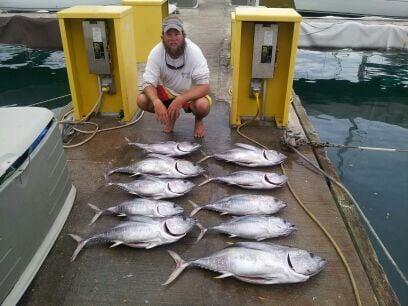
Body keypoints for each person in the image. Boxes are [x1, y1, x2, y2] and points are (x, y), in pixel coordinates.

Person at [137, 15, 211, 138]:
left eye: (176, 34)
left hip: (190, 94)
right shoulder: (156, 52)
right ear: (162, 37)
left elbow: (204, 86)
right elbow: (148, 83)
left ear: (183, 35)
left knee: (203, 106)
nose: (173, 39)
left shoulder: (194, 51)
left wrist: (180, 99)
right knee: (142, 100)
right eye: (169, 35)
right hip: (168, 92)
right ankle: (171, 116)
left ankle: (198, 120)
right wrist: (156, 101)